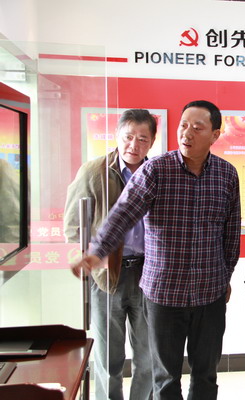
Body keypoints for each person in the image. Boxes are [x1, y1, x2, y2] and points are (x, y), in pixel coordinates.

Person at [71, 100, 241, 400]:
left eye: (197, 128)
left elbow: (230, 235)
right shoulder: (156, 170)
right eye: (183, 125)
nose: (186, 133)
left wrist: (225, 277)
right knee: (164, 376)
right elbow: (123, 212)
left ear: (215, 135)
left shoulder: (226, 174)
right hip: (164, 293)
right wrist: (98, 250)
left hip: (209, 293)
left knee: (206, 373)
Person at [64, 109, 156, 400]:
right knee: (108, 359)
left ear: (152, 142)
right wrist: (95, 255)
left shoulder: (157, 173)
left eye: (142, 139)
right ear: (116, 136)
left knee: (148, 356)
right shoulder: (94, 171)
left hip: (148, 274)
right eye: (128, 137)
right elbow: (72, 226)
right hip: (107, 277)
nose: (134, 145)